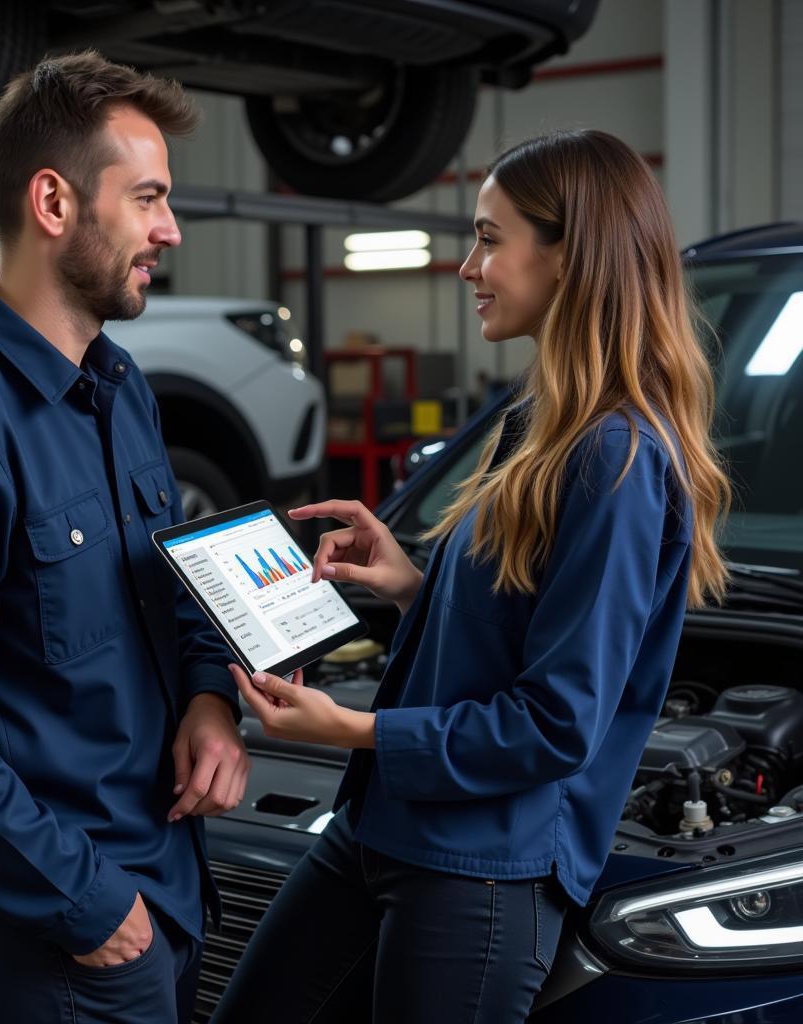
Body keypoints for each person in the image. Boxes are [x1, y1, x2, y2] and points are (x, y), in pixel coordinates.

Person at [213, 130, 731, 1023]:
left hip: (480, 871)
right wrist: (414, 584)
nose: (467, 266)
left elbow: (557, 722)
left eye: (490, 238)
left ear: (569, 256)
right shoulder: (540, 417)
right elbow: (521, 625)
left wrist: (356, 728)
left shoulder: (617, 456)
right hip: (385, 828)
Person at [0, 51, 249, 1024]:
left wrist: (207, 699)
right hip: (38, 941)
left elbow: (165, 588)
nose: (170, 229)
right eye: (148, 198)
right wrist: (95, 907)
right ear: (54, 202)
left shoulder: (122, 389)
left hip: (154, 889)